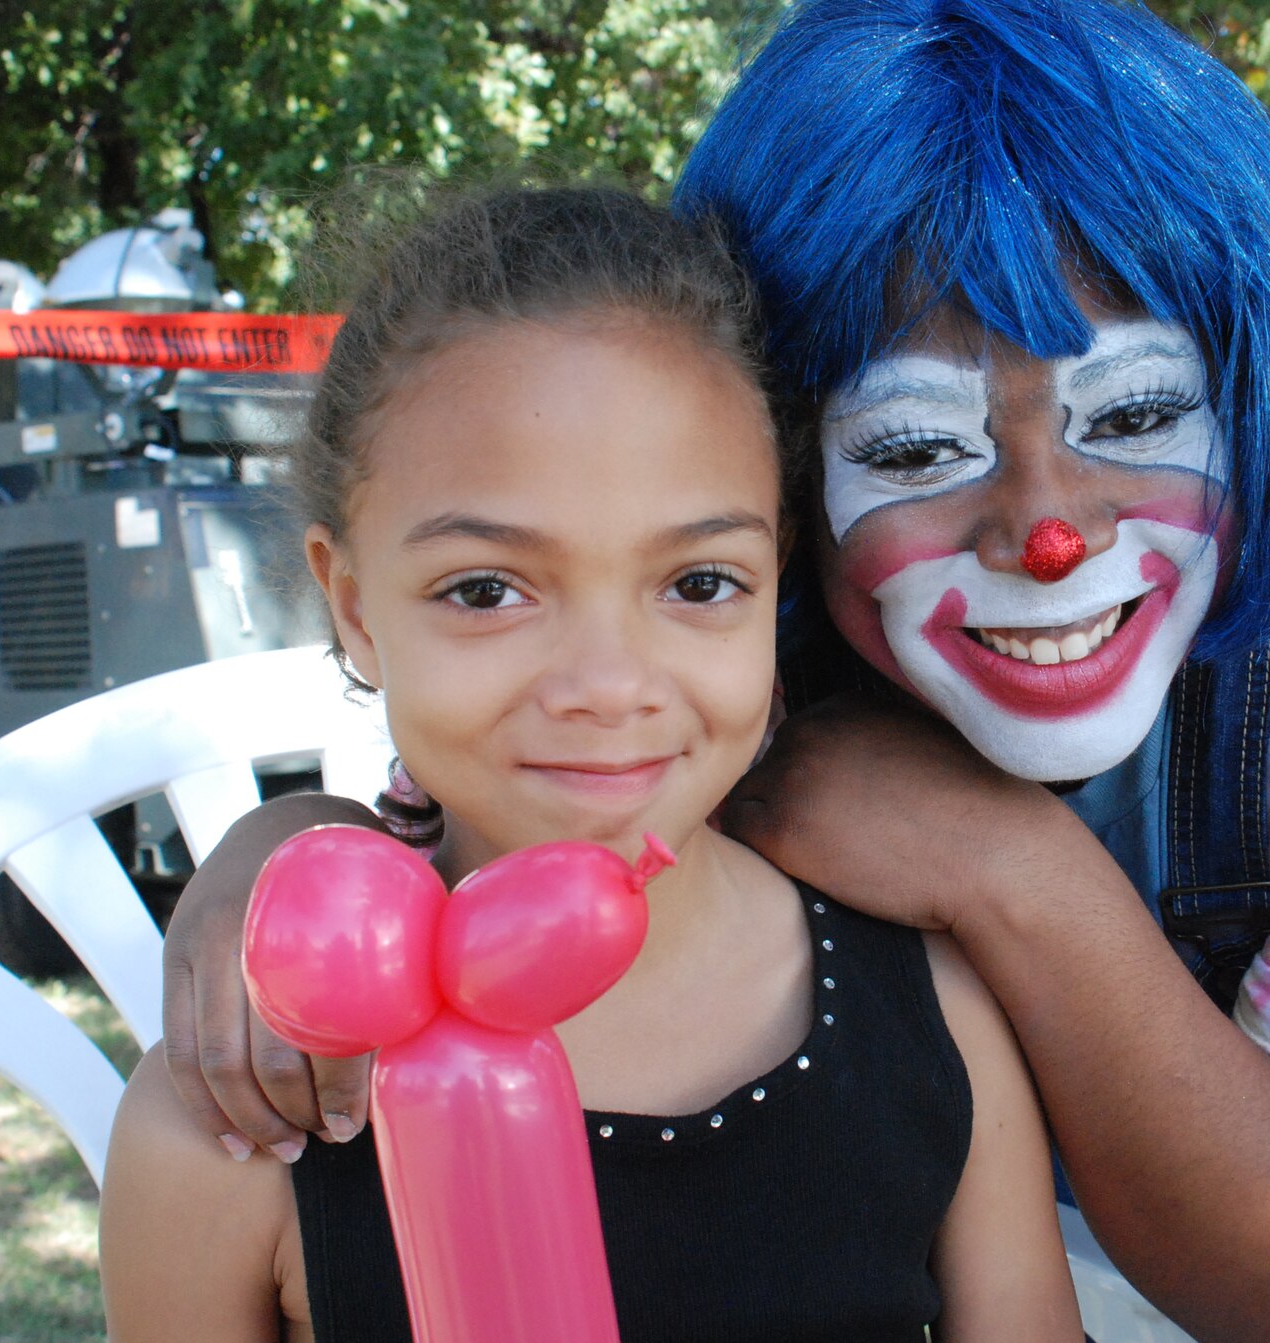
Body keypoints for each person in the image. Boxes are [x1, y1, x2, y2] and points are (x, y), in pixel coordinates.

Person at [159, 4, 1270, 1340]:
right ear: (784, 454)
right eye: (917, 444)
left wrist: (1008, 866)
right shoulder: (722, 580)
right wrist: (308, 842)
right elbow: (538, 742)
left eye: (1134, 413)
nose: (1049, 531)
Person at [97, 184, 1082, 1342]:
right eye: (485, 590)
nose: (608, 683)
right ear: (355, 608)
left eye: (699, 583)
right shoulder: (232, 1124)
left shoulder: (935, 1019)